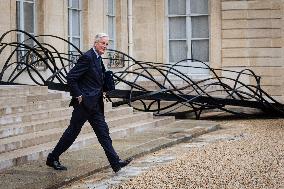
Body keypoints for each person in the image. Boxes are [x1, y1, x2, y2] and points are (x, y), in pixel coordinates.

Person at [46, 33, 132, 173]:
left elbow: (94, 79)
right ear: (96, 43)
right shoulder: (87, 57)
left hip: (96, 104)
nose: (105, 46)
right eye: (103, 43)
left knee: (104, 133)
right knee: (72, 132)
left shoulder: (98, 58)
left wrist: (103, 88)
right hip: (84, 104)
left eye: (106, 44)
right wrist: (78, 95)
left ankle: (115, 163)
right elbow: (71, 77)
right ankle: (52, 158)